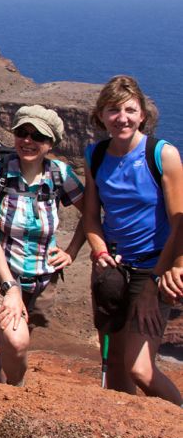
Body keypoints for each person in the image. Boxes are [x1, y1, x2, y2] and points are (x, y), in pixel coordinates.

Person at [84, 75, 183, 406]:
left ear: (143, 114)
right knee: (114, 368)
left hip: (154, 268)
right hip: (112, 269)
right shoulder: (94, 155)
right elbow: (91, 216)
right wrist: (98, 250)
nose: (121, 118)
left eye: (129, 109)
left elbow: (179, 223)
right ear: (101, 116)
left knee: (140, 369)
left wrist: (156, 283)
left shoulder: (162, 155)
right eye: (113, 110)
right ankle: (121, 437)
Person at [0, 106, 85, 385]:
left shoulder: (60, 174)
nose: (28, 141)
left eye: (38, 136)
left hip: (42, 278)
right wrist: (10, 288)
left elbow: (92, 215)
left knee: (11, 342)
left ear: (51, 143)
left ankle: (1, 401)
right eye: (23, 132)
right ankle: (16, 397)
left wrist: (72, 252)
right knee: (17, 340)